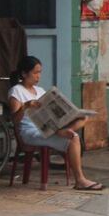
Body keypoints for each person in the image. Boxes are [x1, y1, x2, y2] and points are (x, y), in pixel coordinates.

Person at [8, 56, 103, 190]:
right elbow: (15, 120)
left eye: (40, 72)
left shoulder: (40, 91)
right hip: (30, 132)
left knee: (83, 118)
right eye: (35, 73)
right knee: (74, 138)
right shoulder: (16, 91)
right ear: (24, 73)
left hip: (47, 127)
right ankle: (80, 180)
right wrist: (25, 106)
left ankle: (61, 131)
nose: (38, 76)